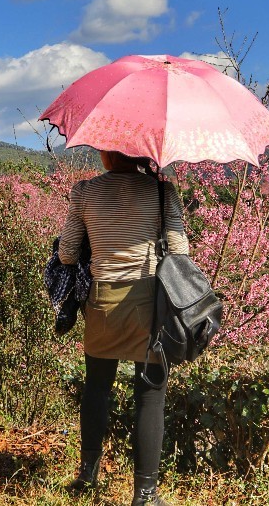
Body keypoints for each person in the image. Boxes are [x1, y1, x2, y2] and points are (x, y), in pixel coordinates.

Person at [58, 150, 189, 506]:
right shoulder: (163, 192)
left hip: (102, 301)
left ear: (106, 150)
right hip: (149, 305)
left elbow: (67, 254)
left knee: (97, 388)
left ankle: (87, 475)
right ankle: (145, 494)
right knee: (150, 395)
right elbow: (179, 250)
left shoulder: (84, 191)